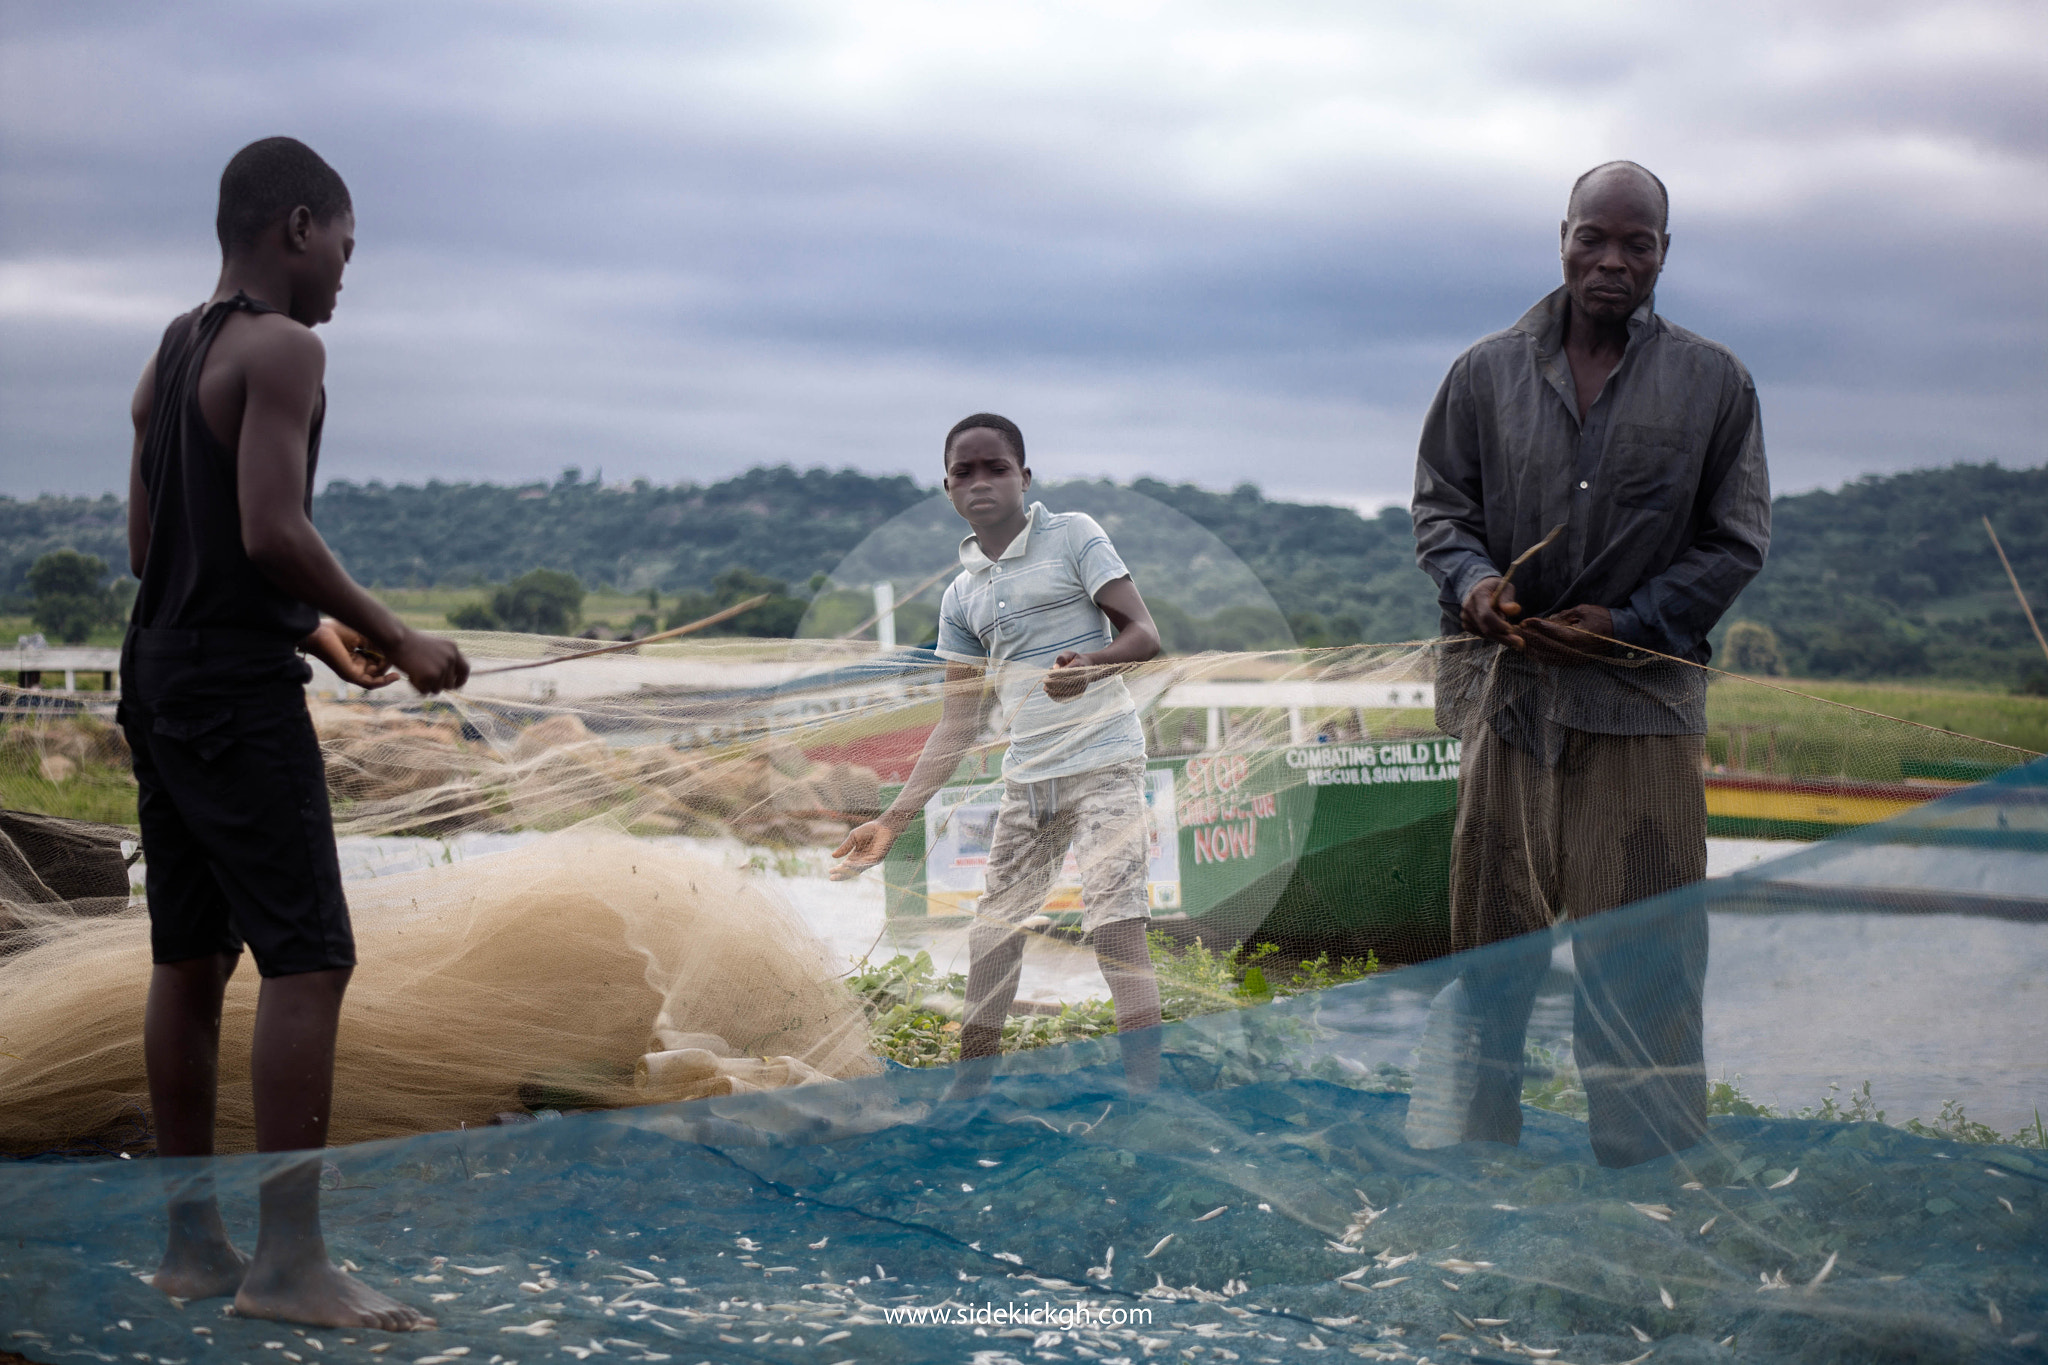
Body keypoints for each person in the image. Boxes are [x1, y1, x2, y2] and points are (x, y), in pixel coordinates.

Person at [122, 137, 468, 1328]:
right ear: (300, 226)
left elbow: (156, 549)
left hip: (160, 671)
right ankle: (289, 1268)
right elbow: (270, 529)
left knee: (189, 957)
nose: (342, 282)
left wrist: (313, 639)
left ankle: (193, 1250)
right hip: (229, 696)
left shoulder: (170, 354)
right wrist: (395, 633)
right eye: (346, 251)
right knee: (308, 958)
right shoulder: (284, 346)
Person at [1410, 161, 1770, 1167]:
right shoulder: (1482, 373)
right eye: (1590, 239)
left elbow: (1733, 543)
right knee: (1493, 958)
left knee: (1643, 971)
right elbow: (1440, 510)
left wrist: (1626, 619)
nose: (1610, 261)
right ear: (1560, 238)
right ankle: (1474, 1165)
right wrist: (1477, 586)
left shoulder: (1712, 382)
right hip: (1508, 706)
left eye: (1635, 243)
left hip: (1638, 714)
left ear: (1662, 253)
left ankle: (1645, 1188)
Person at [832, 414, 1166, 1088]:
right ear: (948, 487)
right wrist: (893, 820)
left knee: (1116, 936)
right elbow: (958, 722)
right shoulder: (963, 594)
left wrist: (1093, 663)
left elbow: (1143, 633)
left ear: (1024, 478)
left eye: (996, 468)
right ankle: (970, 1090)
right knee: (992, 936)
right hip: (1030, 778)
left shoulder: (1073, 535)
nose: (981, 481)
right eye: (966, 471)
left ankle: (1146, 1096)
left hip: (1104, 762)